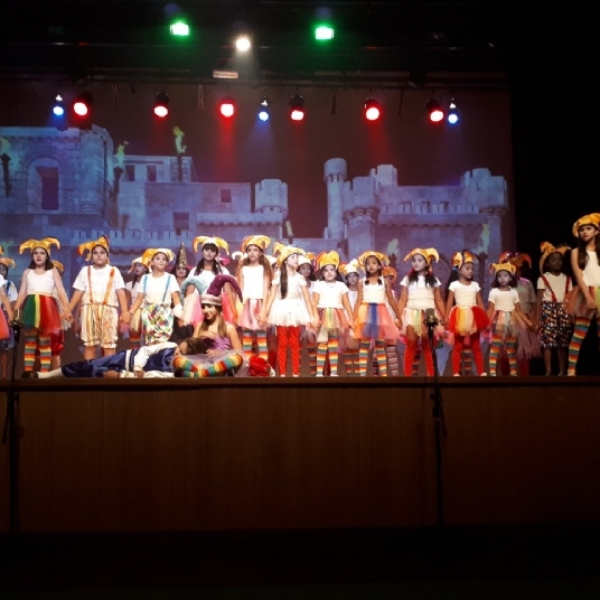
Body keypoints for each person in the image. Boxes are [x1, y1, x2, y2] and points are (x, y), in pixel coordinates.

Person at [14, 237, 72, 373]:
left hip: (47, 307)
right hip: (31, 306)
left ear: (47, 256)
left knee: (45, 341)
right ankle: (29, 371)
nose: (39, 256)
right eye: (36, 253)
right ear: (32, 255)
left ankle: (44, 373)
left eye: (42, 253)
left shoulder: (52, 272)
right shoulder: (27, 272)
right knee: (30, 341)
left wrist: (67, 308)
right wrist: (15, 311)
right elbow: (22, 293)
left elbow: (61, 291)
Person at [260, 244, 319, 377]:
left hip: (296, 309)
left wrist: (312, 316)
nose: (296, 260)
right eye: (293, 257)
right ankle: (282, 373)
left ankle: (296, 373)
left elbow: (307, 299)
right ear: (286, 260)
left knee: (294, 342)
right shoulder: (278, 275)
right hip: (281, 309)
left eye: (296, 257)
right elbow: (271, 297)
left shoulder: (300, 277)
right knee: (282, 342)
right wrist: (265, 313)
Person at [68, 235, 129, 360]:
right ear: (91, 256)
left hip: (108, 310)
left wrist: (125, 311)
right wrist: (68, 309)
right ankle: (90, 370)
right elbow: (79, 291)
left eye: (102, 252)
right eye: (95, 253)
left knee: (109, 344)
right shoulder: (85, 271)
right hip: (89, 309)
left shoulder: (114, 271)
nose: (99, 255)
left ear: (107, 255)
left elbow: (121, 292)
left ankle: (109, 370)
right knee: (90, 344)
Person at [174, 274, 248, 377]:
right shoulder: (200, 325)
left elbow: (239, 353)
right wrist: (201, 335)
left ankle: (202, 374)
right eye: (203, 307)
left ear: (217, 307)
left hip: (220, 364)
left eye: (209, 306)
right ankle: (204, 373)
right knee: (178, 361)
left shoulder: (229, 328)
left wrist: (220, 353)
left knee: (237, 359)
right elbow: (191, 349)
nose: (205, 310)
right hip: (202, 363)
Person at [397, 248, 445, 377]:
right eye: (414, 260)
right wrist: (398, 317)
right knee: (411, 343)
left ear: (427, 262)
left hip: (429, 312)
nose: (416, 263)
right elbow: (402, 299)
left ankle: (431, 373)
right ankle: (407, 375)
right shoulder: (408, 279)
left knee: (427, 345)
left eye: (419, 260)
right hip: (412, 312)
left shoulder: (433, 280)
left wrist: (445, 317)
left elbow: (438, 300)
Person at [353, 250, 402, 377]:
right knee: (364, 345)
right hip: (365, 313)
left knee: (380, 345)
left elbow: (391, 300)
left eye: (374, 263)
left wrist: (398, 316)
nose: (371, 266)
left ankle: (383, 375)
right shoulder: (361, 282)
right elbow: (358, 301)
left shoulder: (384, 282)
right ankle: (362, 375)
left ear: (380, 266)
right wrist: (353, 319)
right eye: (368, 263)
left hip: (381, 313)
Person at [444, 250, 488, 376]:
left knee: (476, 346)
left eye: (472, 268)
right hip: (460, 316)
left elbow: (480, 303)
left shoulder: (475, 285)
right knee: (458, 345)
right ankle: (456, 372)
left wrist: (484, 319)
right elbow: (449, 303)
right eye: (467, 268)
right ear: (459, 270)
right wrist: (446, 318)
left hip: (474, 315)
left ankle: (481, 371)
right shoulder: (454, 285)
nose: (470, 271)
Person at [566, 213, 600, 375]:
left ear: (596, 231)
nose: (585, 232)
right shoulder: (576, 252)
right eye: (582, 230)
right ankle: (571, 370)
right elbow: (578, 276)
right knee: (579, 334)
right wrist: (588, 296)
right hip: (585, 292)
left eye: (588, 228)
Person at [311, 251, 354, 377]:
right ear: (322, 273)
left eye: (332, 270)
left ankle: (334, 372)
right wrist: (314, 317)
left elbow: (346, 303)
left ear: (336, 271)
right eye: (326, 270)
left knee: (333, 344)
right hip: (323, 314)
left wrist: (351, 318)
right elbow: (314, 303)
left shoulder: (341, 285)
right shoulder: (319, 285)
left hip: (337, 316)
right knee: (322, 343)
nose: (329, 272)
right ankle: (319, 372)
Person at [487, 262, 534, 376]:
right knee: (495, 347)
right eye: (499, 276)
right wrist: (486, 323)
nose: (502, 278)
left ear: (510, 277)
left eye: (505, 275)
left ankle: (513, 372)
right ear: (496, 278)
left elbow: (518, 310)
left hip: (511, 322)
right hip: (498, 322)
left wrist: (528, 322)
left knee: (511, 348)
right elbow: (490, 309)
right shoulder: (494, 292)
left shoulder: (514, 292)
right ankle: (492, 372)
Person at [129, 247, 182, 345]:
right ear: (151, 262)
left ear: (167, 263)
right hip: (148, 313)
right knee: (150, 342)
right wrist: (130, 313)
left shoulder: (170, 278)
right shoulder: (145, 278)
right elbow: (139, 299)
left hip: (164, 313)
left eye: (164, 259)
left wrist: (180, 315)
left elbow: (176, 298)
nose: (161, 261)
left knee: (162, 341)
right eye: (158, 258)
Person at [498, 251, 540, 374]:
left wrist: (534, 320)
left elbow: (533, 303)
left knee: (524, 351)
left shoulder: (527, 283)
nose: (515, 271)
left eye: (518, 269)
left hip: (524, 319)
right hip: (509, 319)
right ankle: (505, 378)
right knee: (506, 350)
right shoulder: (503, 285)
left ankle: (524, 379)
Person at [535, 242, 573, 376]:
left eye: (559, 260)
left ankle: (562, 371)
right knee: (547, 343)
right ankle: (548, 371)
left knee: (562, 343)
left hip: (563, 310)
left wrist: (571, 315)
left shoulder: (567, 278)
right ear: (547, 263)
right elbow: (539, 300)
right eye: (553, 260)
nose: (557, 262)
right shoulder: (543, 278)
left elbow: (570, 298)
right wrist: (537, 318)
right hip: (548, 309)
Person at [235, 235, 272, 362]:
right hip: (246, 304)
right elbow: (240, 289)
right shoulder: (243, 268)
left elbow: (266, 290)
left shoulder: (264, 269)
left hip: (259, 303)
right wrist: (238, 308)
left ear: (261, 252)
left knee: (261, 337)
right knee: (247, 337)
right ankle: (247, 365)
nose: (252, 252)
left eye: (255, 250)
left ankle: (264, 365)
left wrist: (264, 310)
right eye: (249, 250)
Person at [182, 236, 234, 326]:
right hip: (199, 306)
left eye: (212, 250)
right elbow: (189, 293)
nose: (209, 252)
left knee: (216, 330)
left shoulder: (223, 271)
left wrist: (233, 310)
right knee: (199, 330)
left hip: (217, 305)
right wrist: (185, 310)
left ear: (216, 253)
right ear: (202, 251)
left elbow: (228, 292)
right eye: (206, 249)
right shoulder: (195, 271)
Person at [340, 259, 361, 376]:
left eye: (354, 276)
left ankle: (357, 374)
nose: (352, 279)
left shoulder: (361, 292)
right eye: (350, 276)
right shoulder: (345, 292)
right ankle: (349, 374)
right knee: (347, 348)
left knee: (357, 348)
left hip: (359, 321)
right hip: (347, 320)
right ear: (346, 279)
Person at [124, 256, 149, 348]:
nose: (137, 268)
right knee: (134, 341)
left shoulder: (151, 283)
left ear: (146, 268)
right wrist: (125, 315)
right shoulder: (129, 285)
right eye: (136, 266)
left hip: (148, 313)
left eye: (140, 265)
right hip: (134, 314)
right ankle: (134, 356)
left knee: (149, 341)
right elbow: (127, 302)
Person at [0, 251, 17, 378]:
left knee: (3, 348)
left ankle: (4, 376)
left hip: (2, 315)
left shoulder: (7, 283)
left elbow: (5, 297)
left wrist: (11, 314)